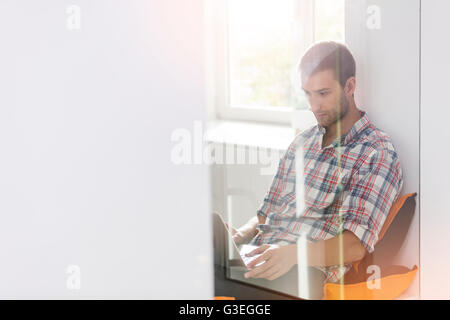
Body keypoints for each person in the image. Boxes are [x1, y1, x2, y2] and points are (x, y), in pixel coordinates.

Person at [226, 41, 404, 296]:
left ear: (350, 86)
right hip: (259, 259)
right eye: (308, 94)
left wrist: (292, 255)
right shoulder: (302, 143)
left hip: (303, 274)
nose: (314, 105)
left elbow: (355, 245)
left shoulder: (375, 152)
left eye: (323, 93)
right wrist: (238, 235)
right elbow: (266, 213)